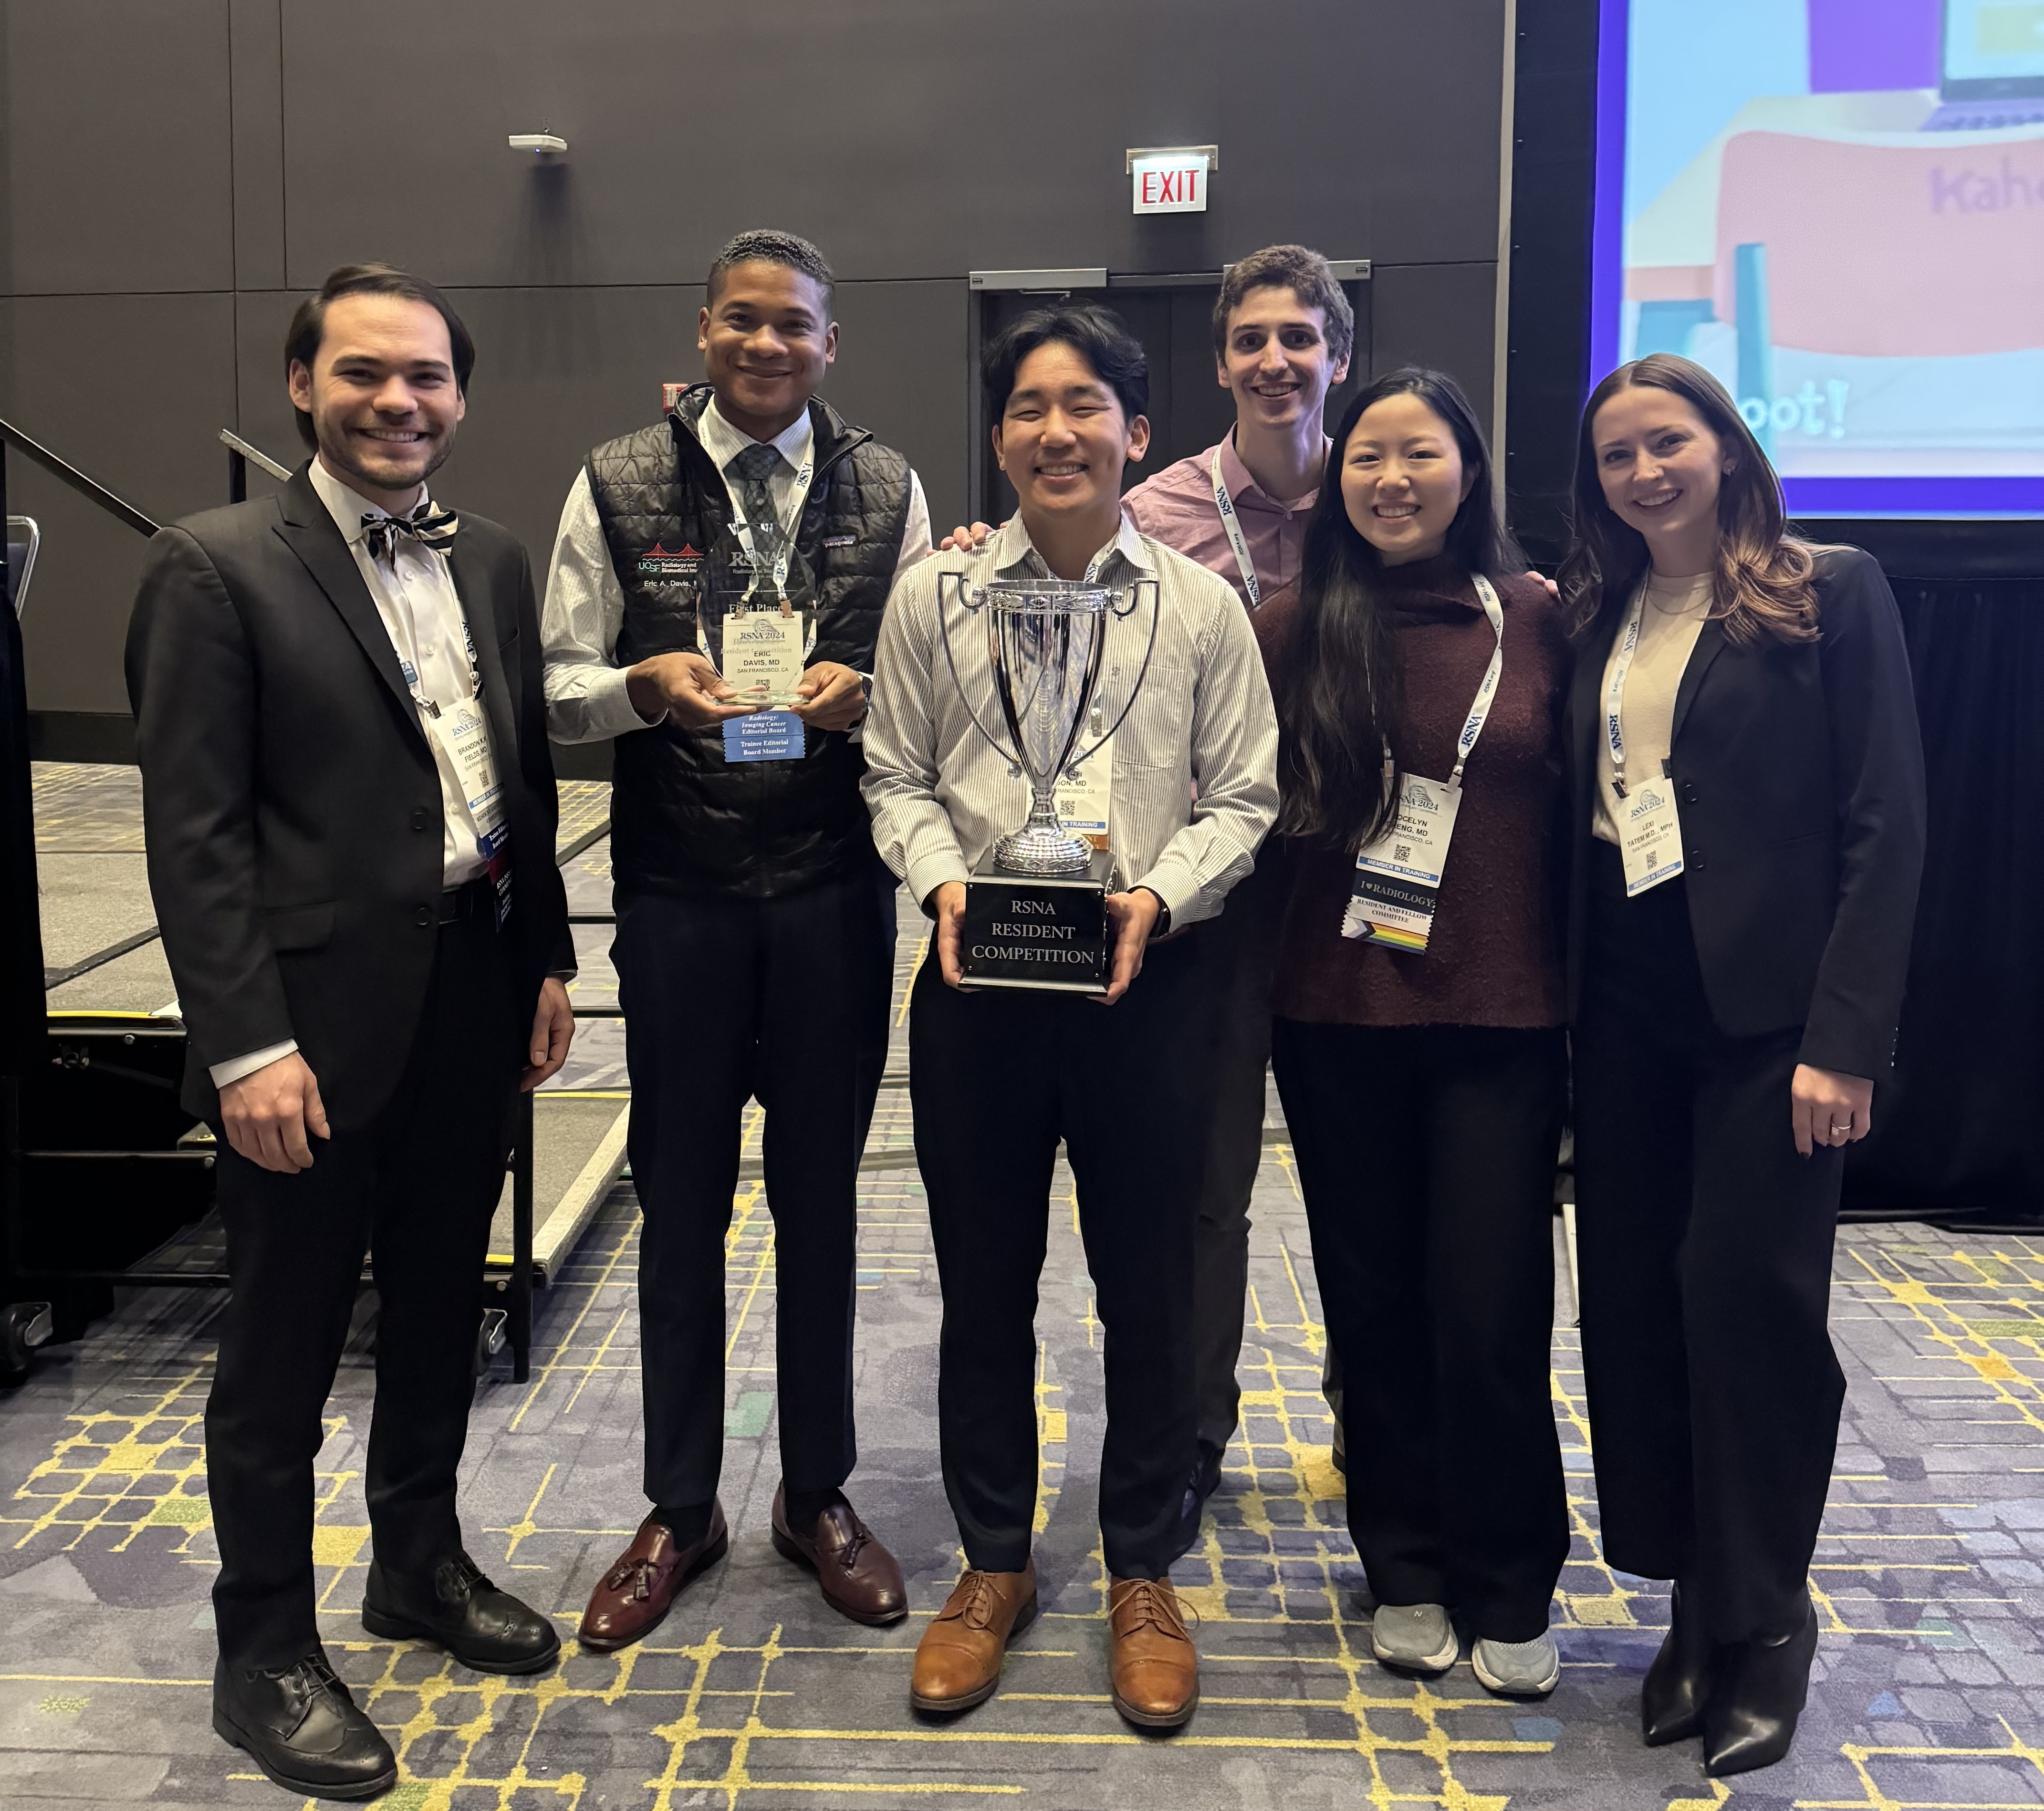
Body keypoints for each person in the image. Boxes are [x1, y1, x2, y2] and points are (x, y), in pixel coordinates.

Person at [126, 263, 576, 1801]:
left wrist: (546, 962)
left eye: (429, 377)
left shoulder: (498, 560)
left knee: (446, 1303)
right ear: (303, 386)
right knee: (282, 1344)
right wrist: (245, 1044)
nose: (400, 401)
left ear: (460, 396)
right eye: (366, 374)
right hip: (306, 1029)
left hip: (470, 992)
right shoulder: (213, 566)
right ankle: (261, 1647)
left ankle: (418, 1564)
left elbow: (516, 784)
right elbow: (195, 836)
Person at [862, 301, 1278, 1729]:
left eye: (1086, 405)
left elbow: (1244, 797)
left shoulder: (1199, 607)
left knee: (1146, 1292)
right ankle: (992, 1563)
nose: (1058, 430)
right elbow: (893, 776)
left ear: (1135, 432)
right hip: (978, 981)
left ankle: (1140, 1565)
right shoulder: (934, 595)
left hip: (1146, 989)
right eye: (1030, 407)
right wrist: (938, 887)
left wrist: (1156, 896)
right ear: (999, 437)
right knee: (982, 1289)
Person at [542, 229, 931, 1647]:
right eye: (744, 322)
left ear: (832, 345)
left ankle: (815, 1491)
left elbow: (932, 688)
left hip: (833, 890)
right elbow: (557, 689)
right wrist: (641, 685)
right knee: (682, 1203)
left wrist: (869, 692)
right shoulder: (614, 478)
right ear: (703, 331)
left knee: (822, 1200)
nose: (769, 346)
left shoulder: (888, 484)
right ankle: (681, 1504)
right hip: (682, 894)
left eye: (796, 327)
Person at [1560, 353, 1926, 1775]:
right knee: (1640, 1310)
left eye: (1667, 442)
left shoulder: (1828, 589)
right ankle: (1692, 1604)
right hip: (1626, 1009)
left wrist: (1845, 1042)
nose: (1643, 473)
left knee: (1752, 1310)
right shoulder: (1597, 605)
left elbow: (1884, 825)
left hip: (1769, 1025)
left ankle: (1767, 1620)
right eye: (1614, 457)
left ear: (1726, 444)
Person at [1254, 368, 1572, 1699]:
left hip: (1502, 1013)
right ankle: (1404, 1564)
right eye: (1367, 455)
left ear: (1466, 467)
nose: (1391, 478)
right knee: (1372, 1297)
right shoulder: (1288, 621)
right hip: (1336, 1017)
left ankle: (1510, 1575)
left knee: (1492, 1305)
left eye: (1419, 453)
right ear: (1337, 476)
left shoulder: (1544, 616)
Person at [1120, 246, 1354, 1512]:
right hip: (1209, 885)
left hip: (1359, 887)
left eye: (1298, 339)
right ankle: (1194, 1432)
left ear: (1337, 357)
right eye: (1251, 339)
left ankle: (1370, 1423)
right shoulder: (1154, 513)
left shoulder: (1382, 497)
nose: (1275, 361)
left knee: (1363, 1176)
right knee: (1203, 1182)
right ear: (1220, 361)